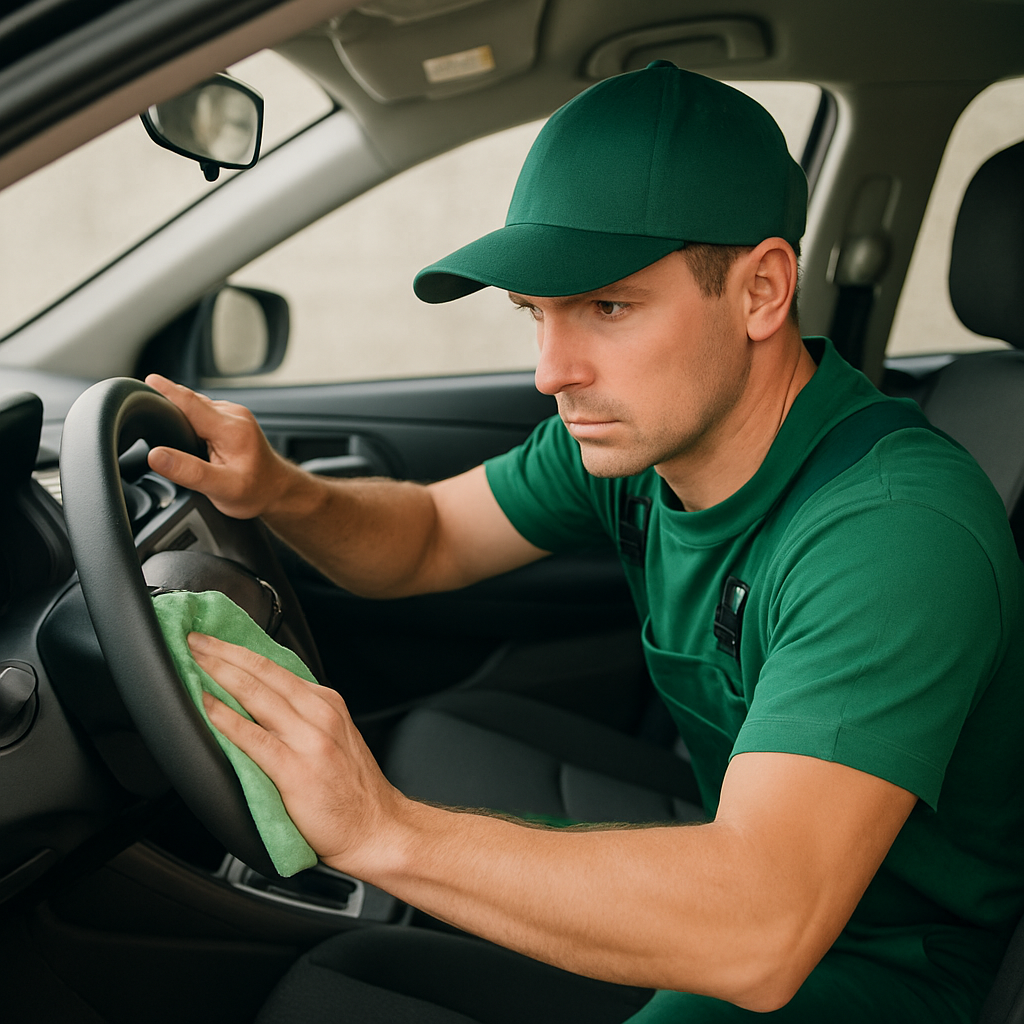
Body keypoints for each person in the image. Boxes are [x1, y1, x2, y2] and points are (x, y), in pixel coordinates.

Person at [146, 63, 1024, 1023]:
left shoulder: (893, 533)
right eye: (535, 312)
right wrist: (277, 491)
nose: (551, 372)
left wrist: (381, 828)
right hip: (755, 879)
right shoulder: (644, 448)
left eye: (608, 307)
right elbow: (430, 538)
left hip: (882, 967)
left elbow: (759, 927)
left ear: (763, 291)